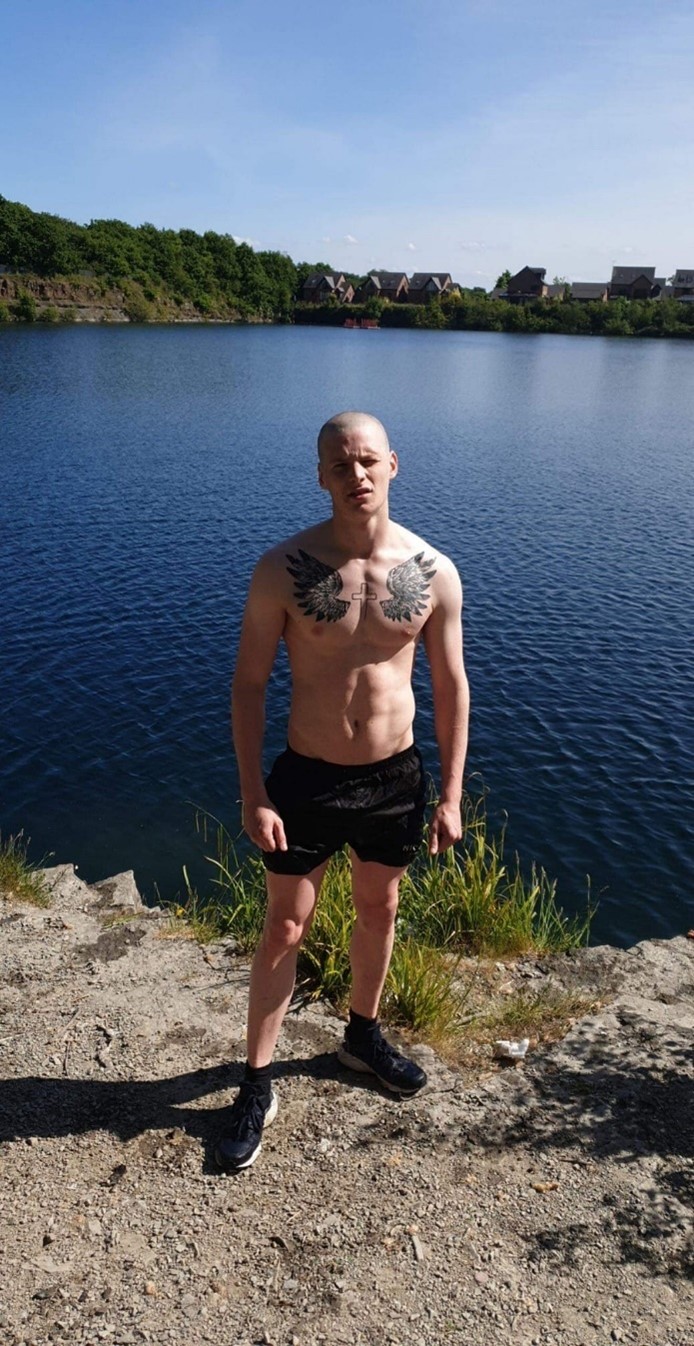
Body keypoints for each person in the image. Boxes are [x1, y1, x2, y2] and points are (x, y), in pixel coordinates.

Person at [215, 411, 469, 1171]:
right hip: (307, 775)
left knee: (379, 908)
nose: (355, 474)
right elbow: (249, 685)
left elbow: (451, 687)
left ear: (393, 464)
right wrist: (254, 791)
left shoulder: (433, 569)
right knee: (284, 926)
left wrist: (451, 793)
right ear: (321, 476)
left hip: (395, 776)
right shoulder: (282, 568)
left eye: (367, 460)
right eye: (339, 464)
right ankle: (257, 1080)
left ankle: (361, 1036)